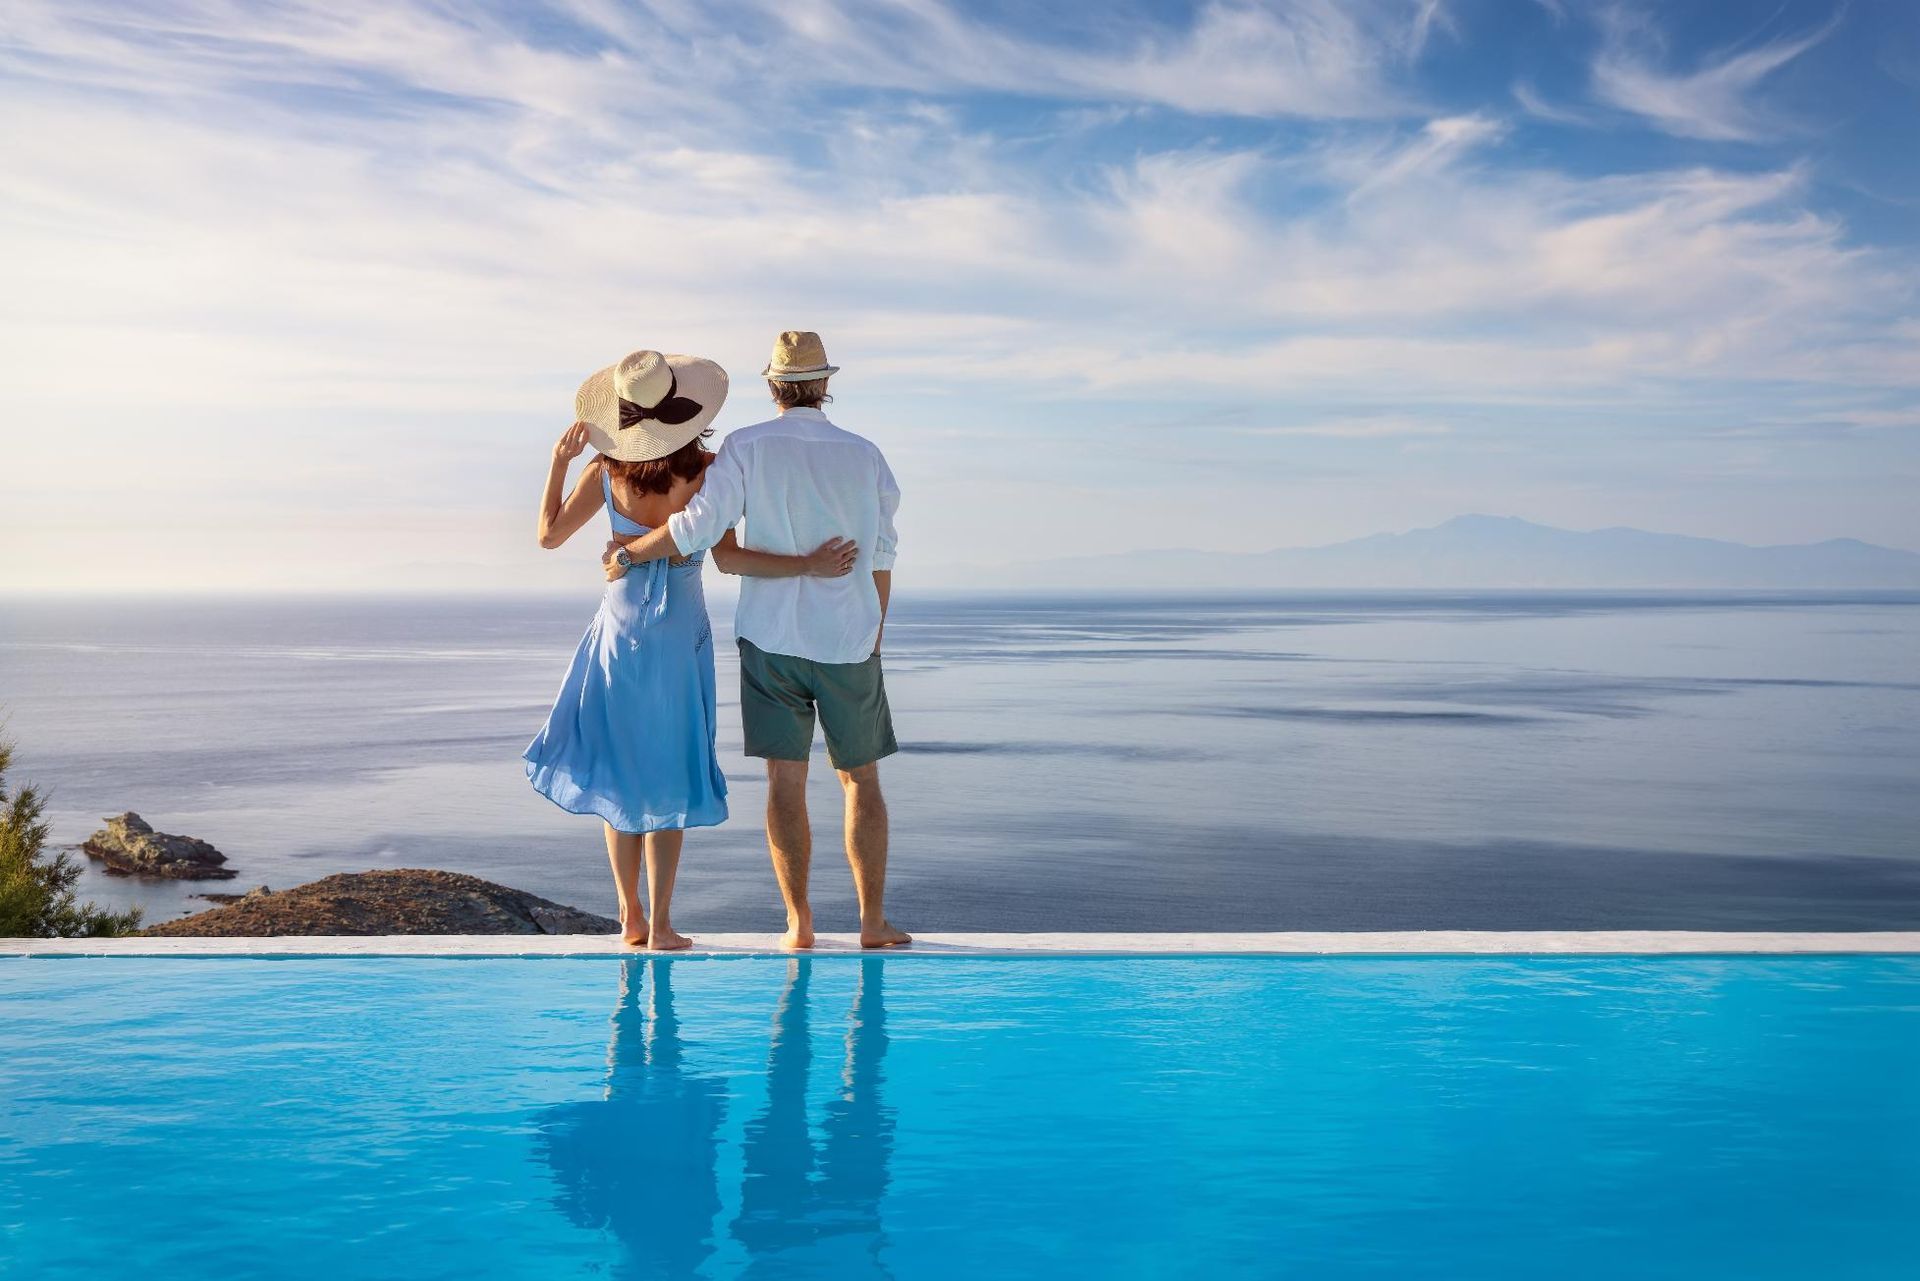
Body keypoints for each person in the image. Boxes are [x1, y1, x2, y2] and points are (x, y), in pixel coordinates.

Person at [525, 349, 858, 950]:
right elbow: (728, 558)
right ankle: (662, 924)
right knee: (670, 771)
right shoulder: (707, 470)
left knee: (622, 776)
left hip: (618, 639)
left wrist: (557, 462)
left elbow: (548, 536)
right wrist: (808, 564)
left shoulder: (603, 472)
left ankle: (629, 916)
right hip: (680, 643)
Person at [605, 331, 910, 950]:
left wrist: (629, 552)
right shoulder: (866, 454)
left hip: (770, 640)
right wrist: (876, 621)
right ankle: (872, 923)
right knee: (862, 780)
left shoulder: (744, 447)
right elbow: (882, 549)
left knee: (784, 782)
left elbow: (698, 530)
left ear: (773, 386)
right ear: (824, 385)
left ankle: (799, 924)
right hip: (849, 637)